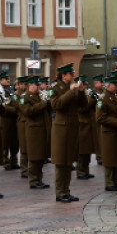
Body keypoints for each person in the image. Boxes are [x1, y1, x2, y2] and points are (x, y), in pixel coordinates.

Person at [49, 63, 83, 203]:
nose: (73, 76)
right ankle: (60, 192)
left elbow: (83, 105)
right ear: (63, 75)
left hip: (72, 128)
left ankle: (66, 191)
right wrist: (70, 91)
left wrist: (80, 92)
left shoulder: (73, 87)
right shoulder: (55, 88)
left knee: (69, 161)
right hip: (61, 129)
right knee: (61, 162)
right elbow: (57, 105)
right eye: (71, 74)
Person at [96, 75, 117, 194]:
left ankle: (116, 181)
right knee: (110, 158)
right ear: (108, 85)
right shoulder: (103, 99)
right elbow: (100, 118)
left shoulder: (116, 97)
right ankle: (109, 183)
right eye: (115, 85)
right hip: (108, 133)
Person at [20, 77, 51, 190]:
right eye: (36, 85)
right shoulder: (25, 98)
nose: (38, 87)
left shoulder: (40, 96)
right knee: (34, 157)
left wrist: (49, 102)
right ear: (30, 85)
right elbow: (28, 111)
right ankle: (33, 180)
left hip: (42, 130)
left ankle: (39, 179)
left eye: (39, 85)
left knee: (41, 156)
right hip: (33, 131)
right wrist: (43, 104)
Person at [75, 76, 96, 180]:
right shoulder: (76, 94)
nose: (85, 86)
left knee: (87, 150)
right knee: (82, 150)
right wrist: (92, 100)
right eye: (83, 84)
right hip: (81, 124)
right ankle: (80, 171)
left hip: (89, 124)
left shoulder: (86, 93)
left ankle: (86, 170)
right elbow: (82, 109)